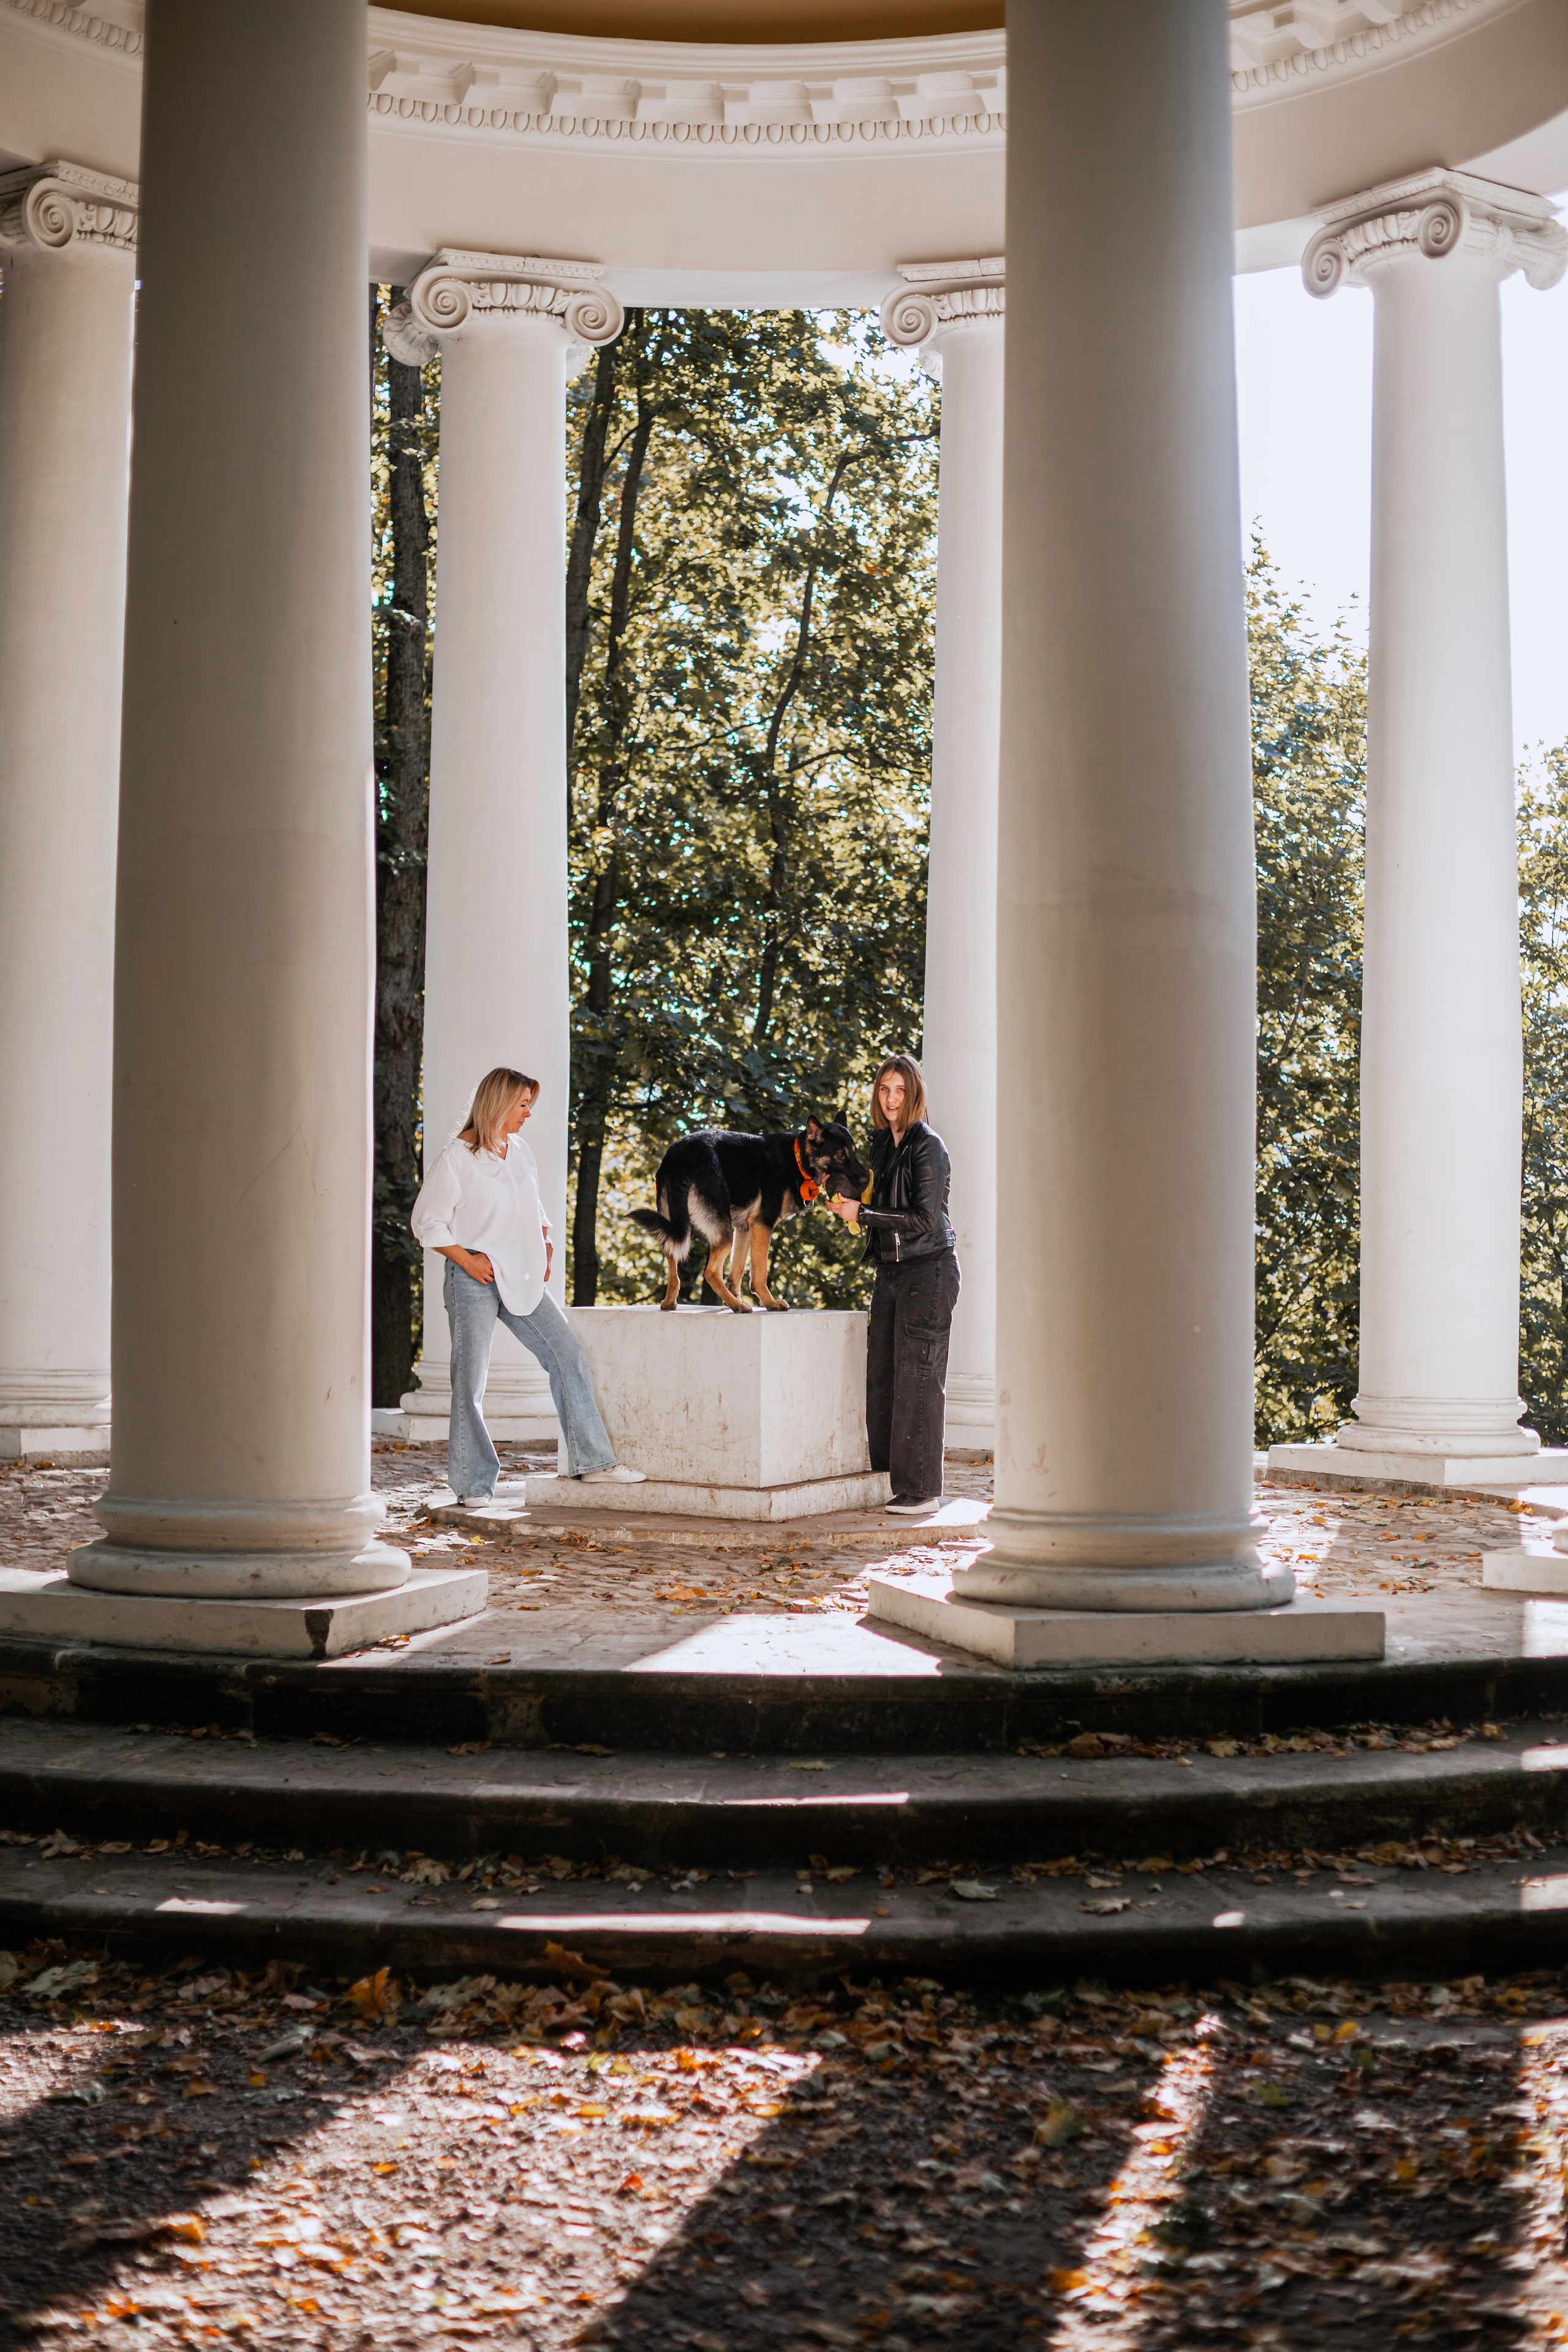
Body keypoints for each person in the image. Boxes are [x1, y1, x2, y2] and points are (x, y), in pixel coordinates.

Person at [410, 1066, 646, 1504]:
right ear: (498, 1104)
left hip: (520, 1275)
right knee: (470, 1382)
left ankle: (592, 1463)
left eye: (529, 1105)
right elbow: (427, 1223)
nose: (527, 1114)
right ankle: (473, 1484)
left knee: (567, 1354)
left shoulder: (518, 1150)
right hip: (474, 1280)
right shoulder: (457, 1159)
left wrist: (547, 1242)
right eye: (522, 1105)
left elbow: (532, 1203)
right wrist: (468, 1260)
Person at [827, 1052, 959, 1516]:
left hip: (929, 1270)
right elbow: (869, 1190)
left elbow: (924, 1218)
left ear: (914, 1093)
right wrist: (841, 1192)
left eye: (900, 1090)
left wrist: (861, 1214)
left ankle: (922, 1490)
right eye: (885, 1088)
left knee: (919, 1377)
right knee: (882, 1374)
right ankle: (891, 1478)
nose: (892, 1098)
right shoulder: (884, 1144)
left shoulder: (929, 1146)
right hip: (892, 1269)